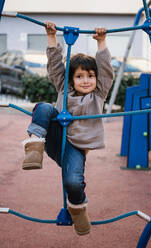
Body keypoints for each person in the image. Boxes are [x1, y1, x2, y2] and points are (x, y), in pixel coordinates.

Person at [22, 21, 114, 236]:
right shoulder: (64, 90)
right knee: (44, 107)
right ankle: (34, 146)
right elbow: (55, 66)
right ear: (71, 80)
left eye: (90, 76)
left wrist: (101, 42)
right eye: (80, 76)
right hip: (54, 139)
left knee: (73, 182)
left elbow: (107, 72)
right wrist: (52, 38)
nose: (86, 80)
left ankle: (78, 207)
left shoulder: (98, 94)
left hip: (75, 149)